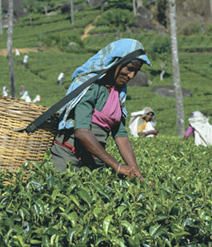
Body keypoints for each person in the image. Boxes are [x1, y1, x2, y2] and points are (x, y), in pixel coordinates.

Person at [50, 38, 151, 180]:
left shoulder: (118, 94)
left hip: (93, 163)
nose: (131, 76)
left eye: (136, 72)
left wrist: (137, 174)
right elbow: (82, 132)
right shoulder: (92, 87)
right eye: (129, 69)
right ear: (116, 63)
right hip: (68, 159)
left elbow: (121, 134)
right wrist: (117, 166)